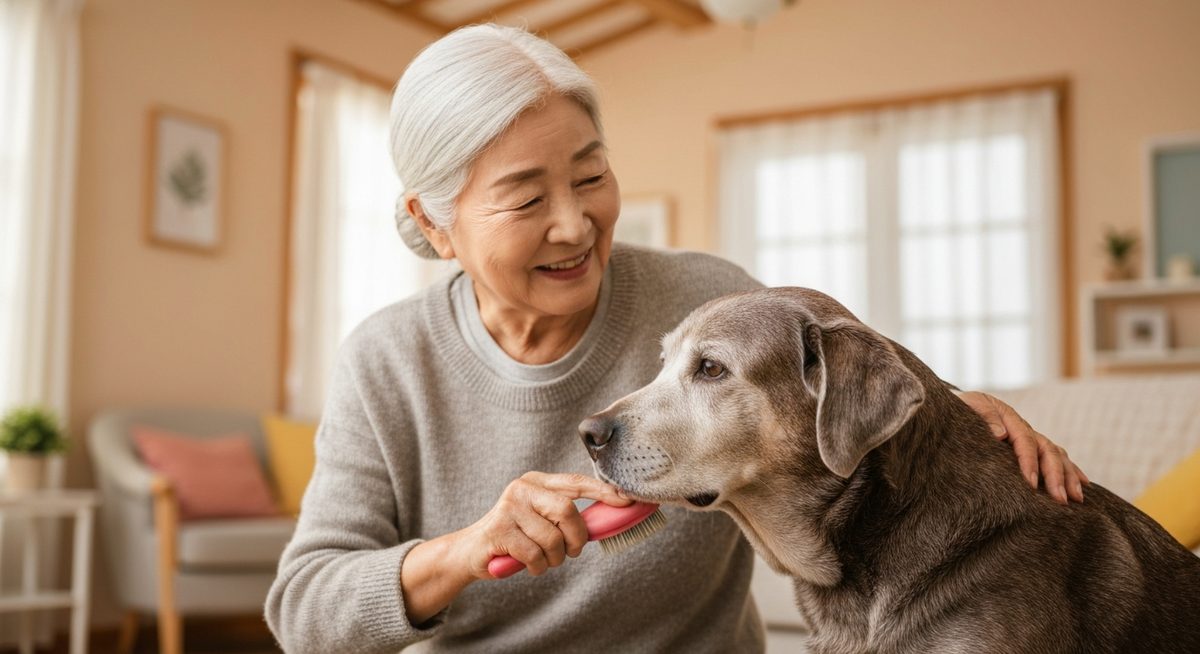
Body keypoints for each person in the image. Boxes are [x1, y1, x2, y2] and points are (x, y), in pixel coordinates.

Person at [265, 24, 1087, 653]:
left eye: (590, 175)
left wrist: (949, 416)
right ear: (434, 225)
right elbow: (303, 610)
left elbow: (836, 387)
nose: (575, 223)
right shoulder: (387, 362)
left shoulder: (709, 296)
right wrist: (463, 552)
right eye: (525, 200)